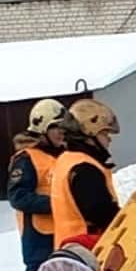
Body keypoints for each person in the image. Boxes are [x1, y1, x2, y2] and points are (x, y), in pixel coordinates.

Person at [50, 100, 121, 248]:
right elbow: (102, 214)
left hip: (70, 249)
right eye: (104, 133)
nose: (109, 139)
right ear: (89, 134)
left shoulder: (66, 159)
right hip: (91, 249)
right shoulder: (85, 168)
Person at [9, 98, 67, 271]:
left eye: (63, 127)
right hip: (39, 239)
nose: (61, 132)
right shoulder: (26, 158)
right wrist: (58, 204)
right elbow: (17, 196)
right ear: (43, 129)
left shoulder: (64, 155)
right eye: (56, 127)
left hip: (64, 233)